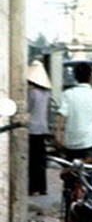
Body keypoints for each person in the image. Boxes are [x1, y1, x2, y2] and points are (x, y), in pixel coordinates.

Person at [56, 63, 92, 163]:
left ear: (75, 76)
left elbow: (61, 115)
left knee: (71, 172)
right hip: (89, 141)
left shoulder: (67, 94)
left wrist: (58, 134)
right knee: (89, 171)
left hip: (70, 142)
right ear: (91, 76)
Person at [26, 60, 53, 196]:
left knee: (32, 160)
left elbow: (27, 109)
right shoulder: (47, 93)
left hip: (32, 129)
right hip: (43, 128)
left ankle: (32, 187)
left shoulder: (31, 93)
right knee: (41, 160)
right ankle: (42, 187)